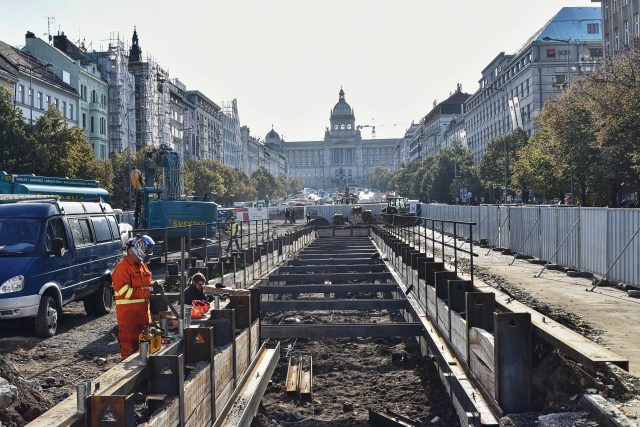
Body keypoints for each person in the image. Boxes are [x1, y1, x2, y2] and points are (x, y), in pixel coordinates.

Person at [112, 235, 161, 359]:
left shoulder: (142, 265)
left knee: (145, 346)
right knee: (129, 347)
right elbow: (125, 292)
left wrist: (154, 285)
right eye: (145, 250)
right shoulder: (121, 268)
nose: (147, 253)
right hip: (129, 317)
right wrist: (149, 290)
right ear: (131, 250)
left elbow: (146, 283)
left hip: (143, 315)